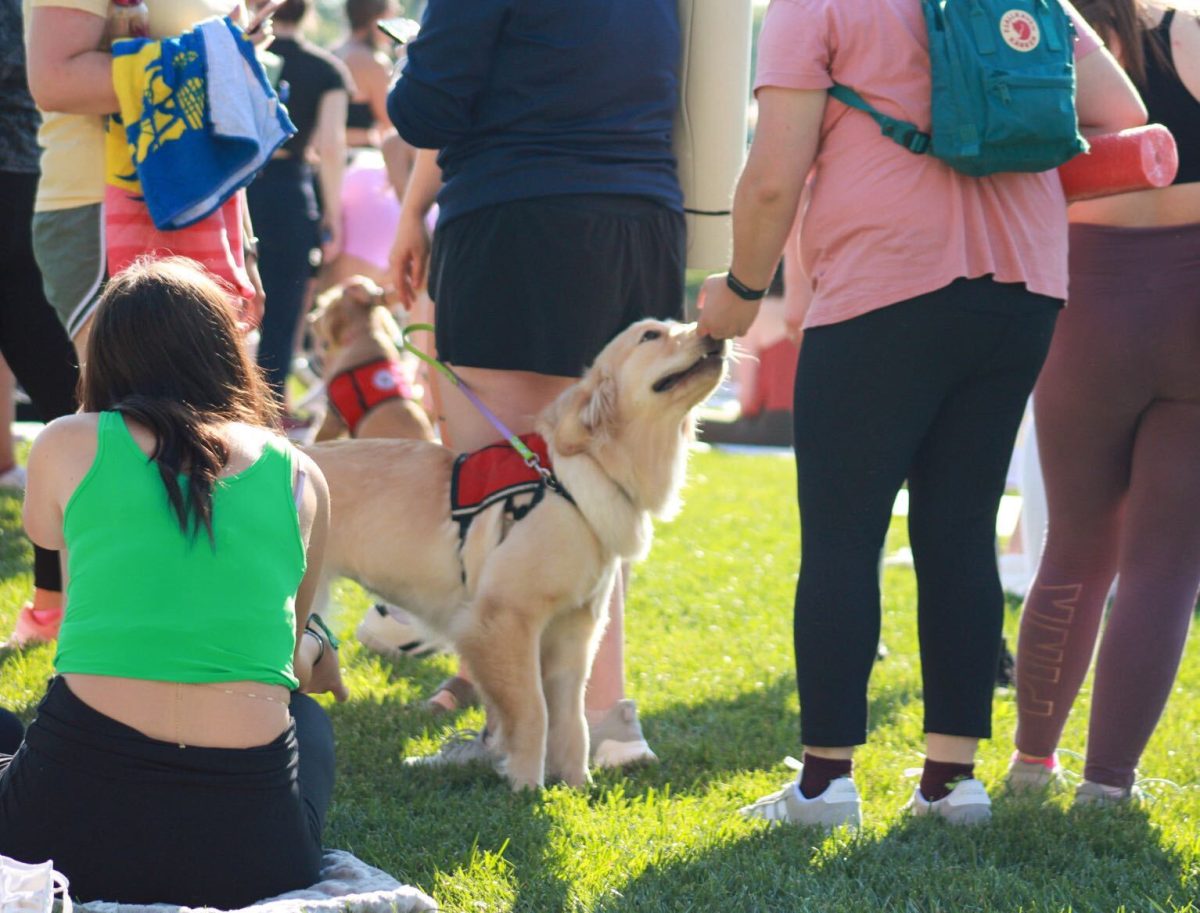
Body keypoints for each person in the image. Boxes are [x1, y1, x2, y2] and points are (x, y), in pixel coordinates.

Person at [700, 0, 1145, 828]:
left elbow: (772, 174)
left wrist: (739, 292)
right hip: (1023, 284)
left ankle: (825, 783)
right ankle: (952, 783)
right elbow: (1122, 111)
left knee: (842, 532)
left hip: (883, 278)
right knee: (961, 527)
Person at [386, 0, 685, 765]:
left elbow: (425, 105)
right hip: (642, 219)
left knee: (501, 494)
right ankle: (603, 719)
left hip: (519, 215)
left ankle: (517, 734)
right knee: (596, 491)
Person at [0, 258, 345, 907]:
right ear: (224, 353)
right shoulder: (300, 475)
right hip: (254, 857)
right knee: (306, 716)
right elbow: (280, 654)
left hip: (61, 834)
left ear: (105, 359)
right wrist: (319, 651)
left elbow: (50, 541)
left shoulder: (66, 443)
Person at [1009, 0, 1200, 804]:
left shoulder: (1042, 34)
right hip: (1192, 310)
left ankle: (1030, 766)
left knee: (1075, 546)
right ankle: (1107, 785)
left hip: (1084, 308)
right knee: (1165, 562)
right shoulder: (1184, 34)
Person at [23, 0, 267, 362]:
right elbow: (55, 80)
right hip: (103, 210)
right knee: (129, 410)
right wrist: (212, 55)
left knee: (205, 406)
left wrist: (246, 249)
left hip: (206, 210)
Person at [1, 0, 81, 645]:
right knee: (66, 403)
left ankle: (56, 602)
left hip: (24, 189)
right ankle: (54, 602)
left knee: (68, 404)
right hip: (31, 185)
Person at [247, 0, 351, 405]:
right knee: (284, 307)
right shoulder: (325, 70)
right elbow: (331, 147)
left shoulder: (237, 51)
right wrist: (332, 216)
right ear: (308, 12)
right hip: (290, 191)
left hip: (238, 184)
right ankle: (269, 406)